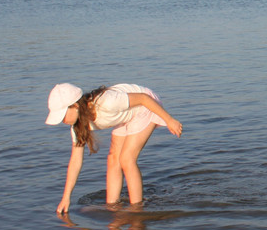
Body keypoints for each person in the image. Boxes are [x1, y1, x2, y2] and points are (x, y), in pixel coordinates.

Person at [46, 82, 183, 214]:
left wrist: (169, 120)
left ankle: (137, 208)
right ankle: (112, 206)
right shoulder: (77, 127)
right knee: (113, 159)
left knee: (126, 159)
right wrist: (66, 197)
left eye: (63, 115)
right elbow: (75, 161)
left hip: (145, 106)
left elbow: (143, 98)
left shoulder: (106, 102)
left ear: (75, 106)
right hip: (126, 114)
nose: (62, 121)